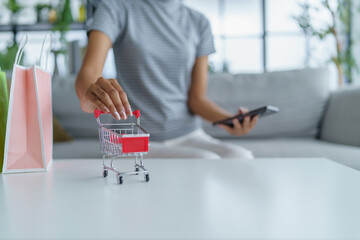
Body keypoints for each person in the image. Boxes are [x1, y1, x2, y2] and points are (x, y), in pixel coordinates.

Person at [75, 0, 258, 159]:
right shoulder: (116, 8)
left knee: (241, 156)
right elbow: (89, 72)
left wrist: (231, 120)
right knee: (205, 160)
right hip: (135, 138)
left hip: (189, 135)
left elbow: (197, 100)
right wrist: (89, 94)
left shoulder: (199, 22)